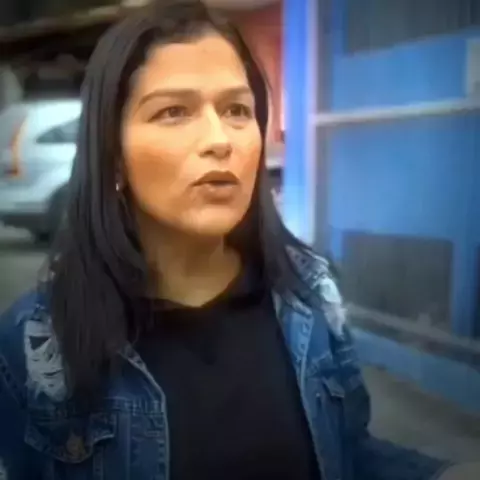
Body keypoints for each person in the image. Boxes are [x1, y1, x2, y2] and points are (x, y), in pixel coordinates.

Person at [0, 1, 474, 479]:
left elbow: (350, 452)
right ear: (113, 156)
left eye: (237, 110)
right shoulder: (36, 342)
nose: (220, 139)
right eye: (173, 112)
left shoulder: (309, 293)